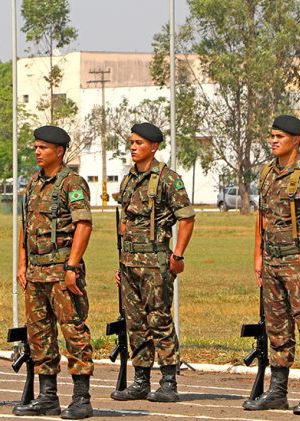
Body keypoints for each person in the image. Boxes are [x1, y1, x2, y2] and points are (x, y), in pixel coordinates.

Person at [244, 115, 300, 415]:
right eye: (272, 136)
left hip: (296, 259)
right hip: (272, 259)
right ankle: (277, 391)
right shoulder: (267, 174)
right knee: (277, 326)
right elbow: (262, 219)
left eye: (280, 136)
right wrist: (257, 256)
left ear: (296, 140)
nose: (273, 141)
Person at [13, 125, 94, 420]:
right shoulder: (33, 182)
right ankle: (47, 396)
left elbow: (83, 225)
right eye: (36, 147)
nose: (37, 151)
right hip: (36, 272)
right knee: (39, 335)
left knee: (73, 330)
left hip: (61, 271)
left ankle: (81, 398)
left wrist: (72, 266)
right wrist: (22, 263)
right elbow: (27, 226)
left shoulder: (72, 183)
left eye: (43, 147)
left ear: (59, 152)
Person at [111, 123, 195, 403]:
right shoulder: (128, 180)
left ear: (154, 147)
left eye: (139, 143)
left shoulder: (168, 179)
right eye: (132, 142)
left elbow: (187, 217)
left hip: (155, 261)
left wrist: (178, 255)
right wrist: (122, 262)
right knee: (136, 323)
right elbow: (125, 222)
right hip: (130, 261)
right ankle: (141, 379)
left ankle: (169, 380)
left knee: (159, 320)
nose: (133, 147)